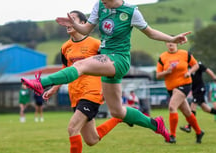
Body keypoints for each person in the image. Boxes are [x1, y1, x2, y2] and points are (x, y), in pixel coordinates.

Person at [21, 0, 192, 144]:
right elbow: (86, 29)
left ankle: (40, 82)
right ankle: (155, 124)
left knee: (81, 66)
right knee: (116, 112)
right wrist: (74, 24)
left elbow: (150, 32)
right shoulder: (99, 6)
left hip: (119, 59)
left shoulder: (131, 11)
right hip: (107, 60)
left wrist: (171, 38)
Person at [41, 10, 123, 153]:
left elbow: (109, 66)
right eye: (67, 20)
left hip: (92, 92)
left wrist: (106, 89)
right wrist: (54, 88)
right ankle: (119, 118)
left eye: (72, 19)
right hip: (75, 94)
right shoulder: (65, 47)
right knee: (92, 140)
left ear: (84, 24)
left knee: (72, 128)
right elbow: (64, 70)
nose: (68, 23)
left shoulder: (96, 44)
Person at [156, 40, 204, 144]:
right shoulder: (163, 57)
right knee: (187, 112)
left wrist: (189, 72)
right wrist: (166, 72)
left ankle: (172, 136)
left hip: (184, 84)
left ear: (176, 43)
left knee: (172, 107)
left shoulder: (184, 54)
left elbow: (196, 65)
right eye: (168, 43)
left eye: (172, 43)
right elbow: (158, 75)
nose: (170, 45)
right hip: (171, 88)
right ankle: (199, 132)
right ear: (166, 45)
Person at [180, 62, 216, 133]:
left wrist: (214, 77)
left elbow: (207, 70)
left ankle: (189, 126)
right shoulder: (185, 66)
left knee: (193, 106)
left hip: (200, 88)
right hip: (194, 90)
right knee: (206, 109)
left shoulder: (198, 65)